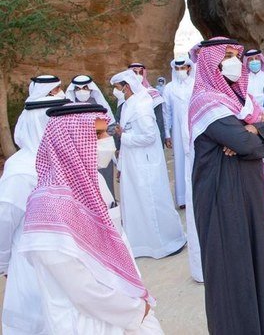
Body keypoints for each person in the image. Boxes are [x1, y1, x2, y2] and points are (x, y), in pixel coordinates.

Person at [19, 103, 163, 334]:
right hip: (86, 322)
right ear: (70, 143)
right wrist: (135, 310)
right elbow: (82, 289)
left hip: (124, 310)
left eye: (106, 132)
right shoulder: (47, 207)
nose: (107, 140)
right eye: (97, 134)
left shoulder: (92, 184)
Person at [189, 37, 264, 334]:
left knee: (255, 250)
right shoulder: (206, 101)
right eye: (225, 55)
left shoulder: (241, 101)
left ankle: (263, 322)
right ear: (209, 62)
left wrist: (254, 131)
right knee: (231, 257)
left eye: (234, 55)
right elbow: (247, 144)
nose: (232, 61)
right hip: (221, 191)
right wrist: (256, 137)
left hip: (247, 188)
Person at [0, 93, 68, 335]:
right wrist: (5, 263)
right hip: (32, 266)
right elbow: (4, 221)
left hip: (69, 266)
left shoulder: (65, 160)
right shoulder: (20, 169)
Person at [110, 70, 186, 259]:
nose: (116, 91)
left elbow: (149, 136)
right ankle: (143, 245)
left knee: (152, 202)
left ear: (126, 87)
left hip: (144, 163)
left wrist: (123, 135)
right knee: (137, 203)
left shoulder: (142, 106)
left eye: (117, 87)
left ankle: (164, 243)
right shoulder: (129, 104)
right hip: (132, 162)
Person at [66, 74, 116, 196]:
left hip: (100, 150)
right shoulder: (68, 107)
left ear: (91, 89)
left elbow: (109, 127)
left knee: (105, 185)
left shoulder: (99, 105)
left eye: (85, 88)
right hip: (78, 153)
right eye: (78, 89)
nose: (82, 91)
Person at [244, 48, 264, 223]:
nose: (254, 61)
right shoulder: (243, 80)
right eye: (251, 59)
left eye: (257, 58)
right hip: (249, 128)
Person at [163, 59, 195, 209]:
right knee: (180, 161)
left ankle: (197, 195)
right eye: (178, 68)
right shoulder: (169, 88)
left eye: (183, 67)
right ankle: (183, 199)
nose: (181, 70)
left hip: (194, 128)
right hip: (177, 131)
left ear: (189, 67)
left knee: (196, 159)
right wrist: (167, 133)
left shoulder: (196, 84)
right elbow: (166, 112)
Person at [127, 63, 167, 144]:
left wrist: (161, 140)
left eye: (140, 73)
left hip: (151, 137)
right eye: (135, 72)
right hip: (131, 138)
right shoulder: (124, 95)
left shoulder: (154, 95)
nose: (138, 75)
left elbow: (159, 120)